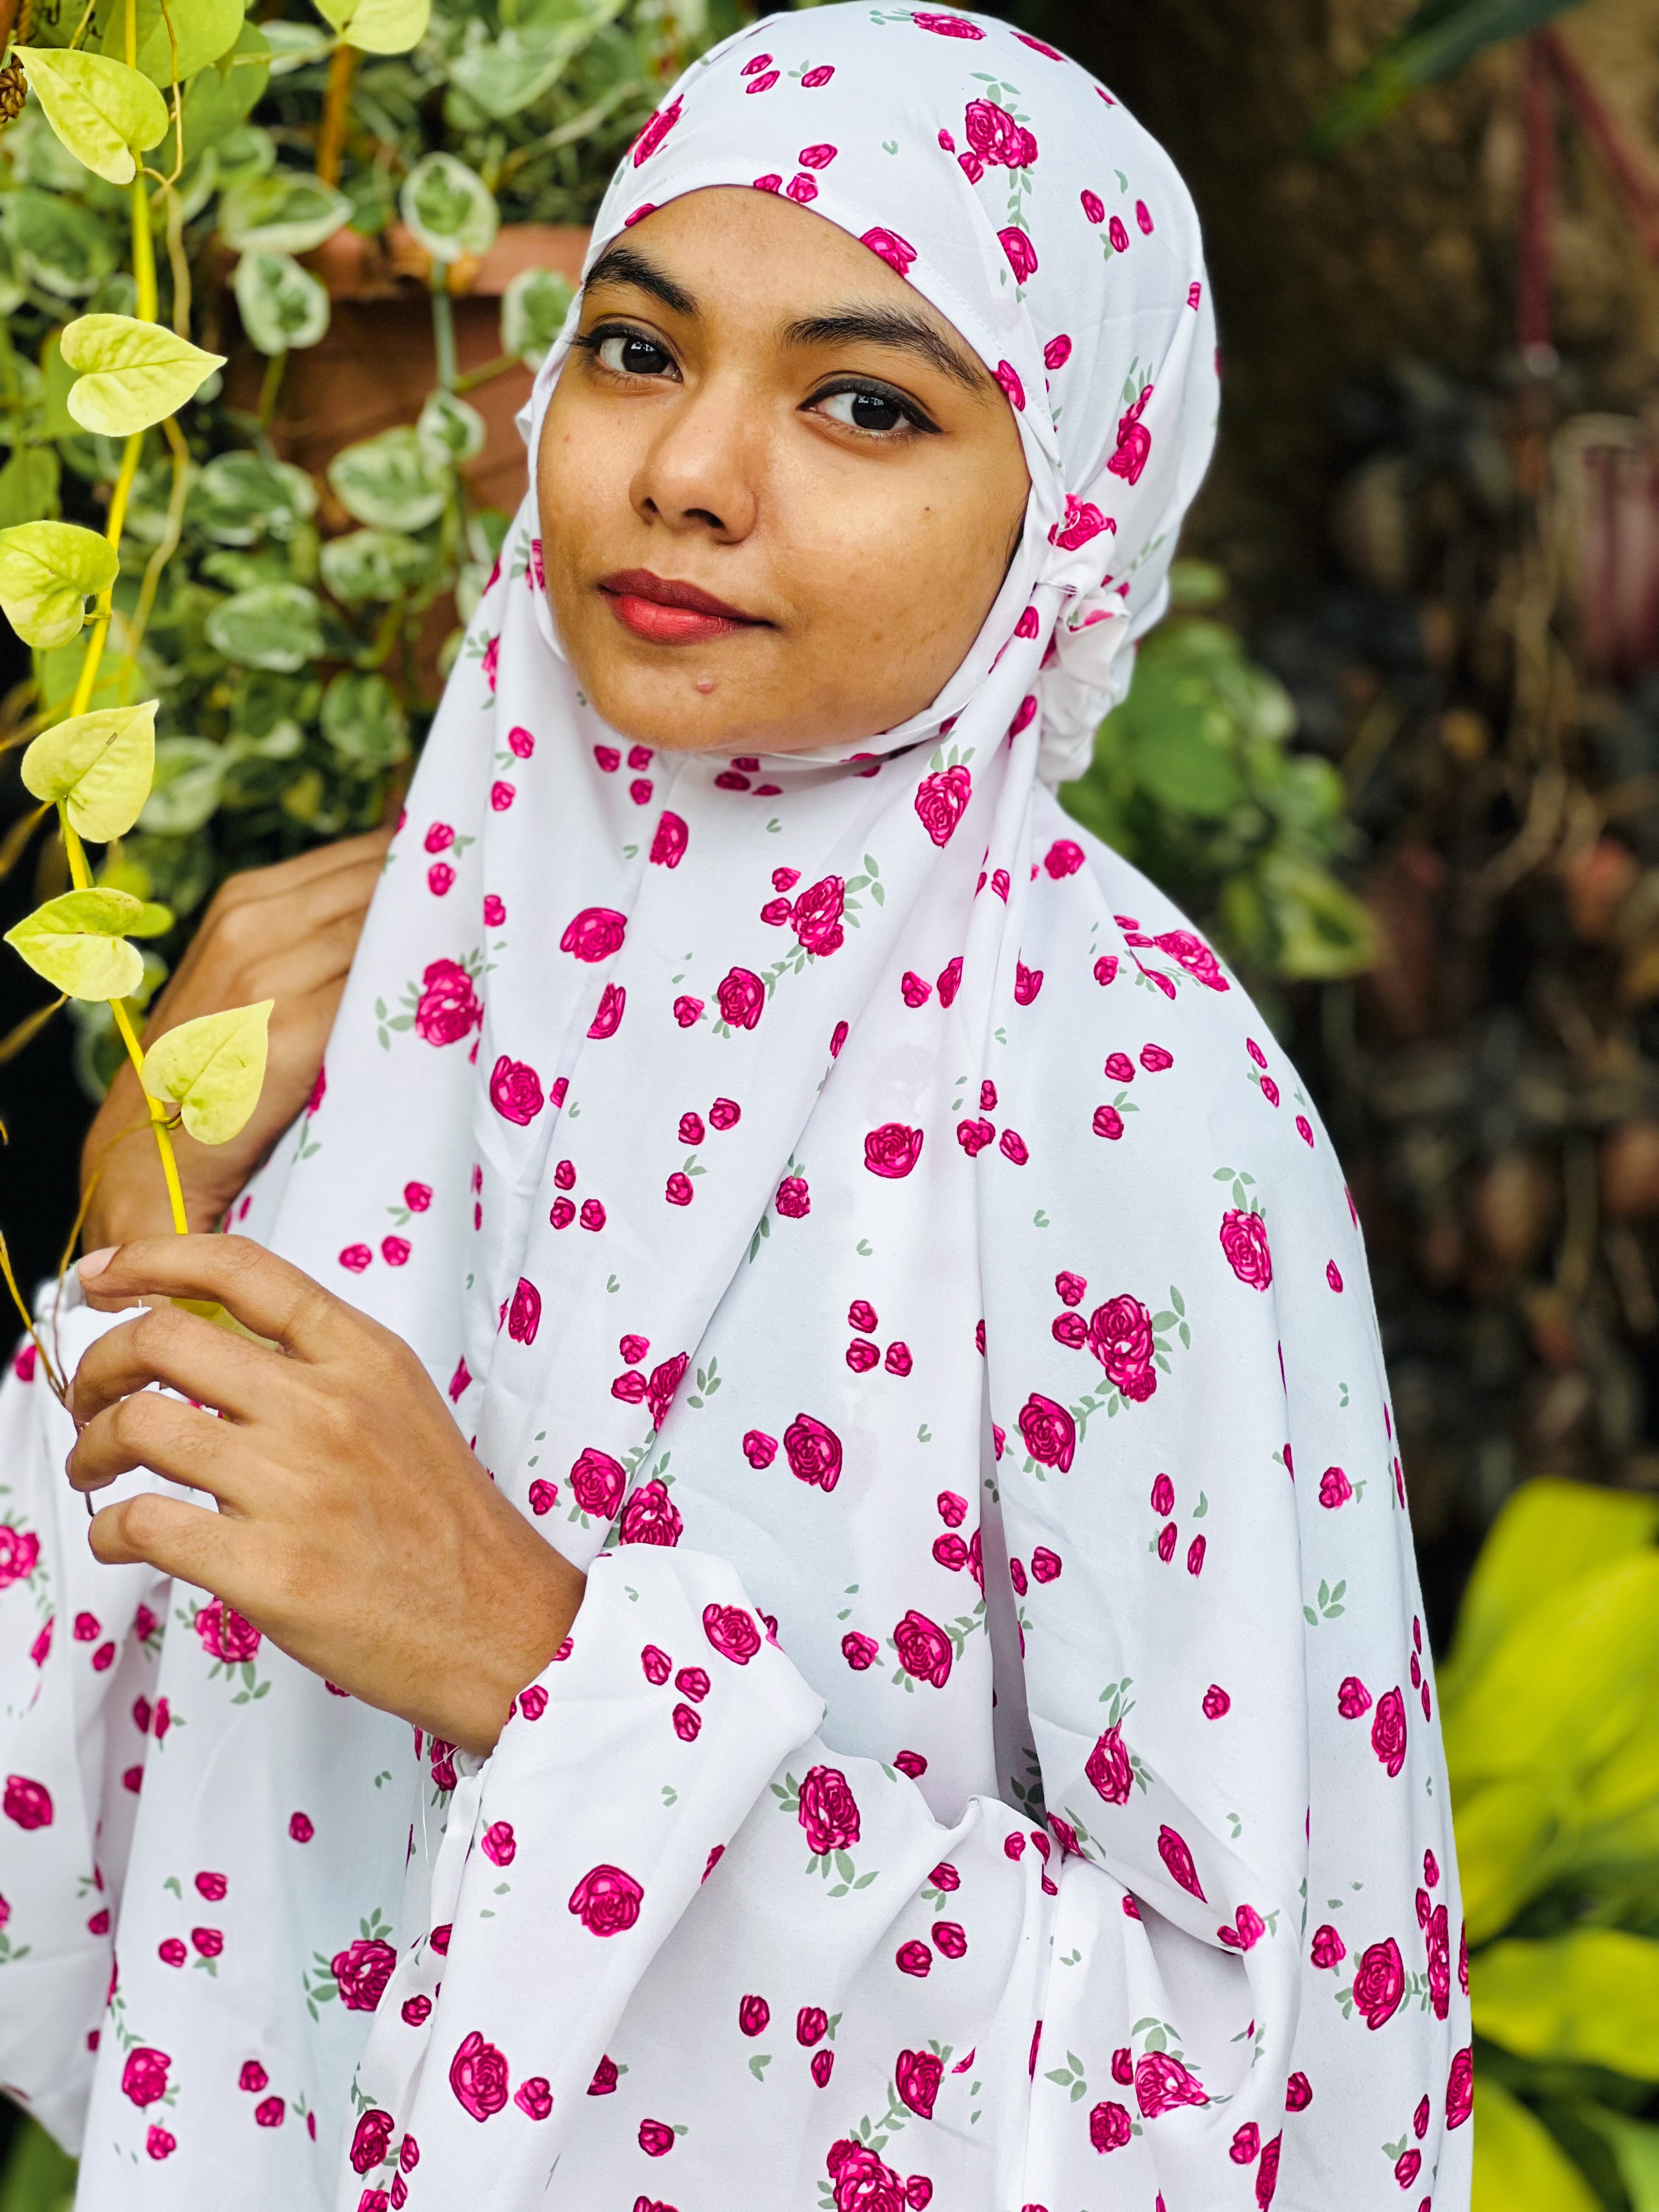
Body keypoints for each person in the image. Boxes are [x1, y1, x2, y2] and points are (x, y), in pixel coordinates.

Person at [0, 9, 1473, 2207]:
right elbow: (137, 1913)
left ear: (1065, 507)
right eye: (631, 351)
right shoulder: (403, 976)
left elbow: (1235, 2110)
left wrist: (543, 1662)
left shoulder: (1118, 1085)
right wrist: (135, 1269)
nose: (691, 470)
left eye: (867, 401)